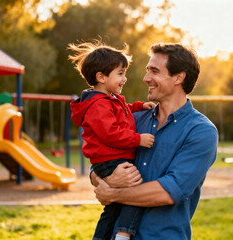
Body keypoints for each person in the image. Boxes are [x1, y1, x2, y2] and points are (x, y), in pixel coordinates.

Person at [91, 43, 218, 240]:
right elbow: (100, 161)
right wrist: (103, 178)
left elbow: (169, 191)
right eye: (147, 70)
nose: (146, 78)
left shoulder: (201, 131)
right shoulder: (133, 119)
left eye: (154, 71)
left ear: (179, 77)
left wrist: (113, 194)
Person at [68, 41, 155, 240]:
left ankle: (101, 237)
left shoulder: (109, 99)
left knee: (114, 207)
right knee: (136, 194)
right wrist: (138, 139)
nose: (124, 78)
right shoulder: (98, 104)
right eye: (120, 73)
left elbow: (123, 112)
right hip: (110, 159)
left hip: (109, 159)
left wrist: (139, 106)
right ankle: (123, 235)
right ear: (101, 77)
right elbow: (110, 133)